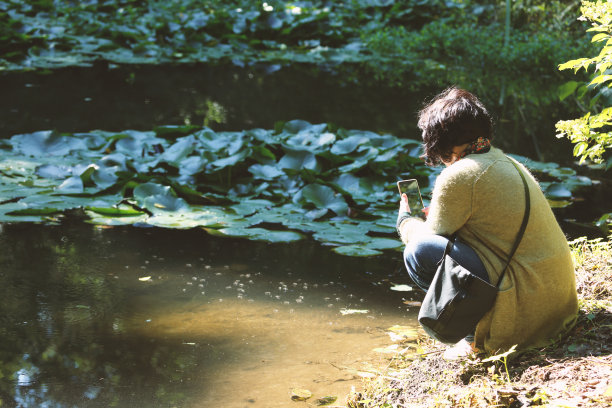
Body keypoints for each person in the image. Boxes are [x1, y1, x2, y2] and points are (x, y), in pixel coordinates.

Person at [397, 87, 578, 359]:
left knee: (418, 252)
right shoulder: (509, 163)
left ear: (443, 142)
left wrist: (405, 221)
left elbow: (427, 239)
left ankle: (474, 340)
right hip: (556, 305)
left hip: (524, 312)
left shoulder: (460, 173)